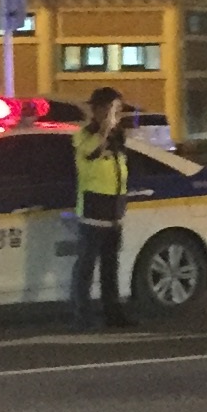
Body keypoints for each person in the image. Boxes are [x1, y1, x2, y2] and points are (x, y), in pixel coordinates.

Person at [69, 86, 136, 329]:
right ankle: (82, 316)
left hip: (114, 209)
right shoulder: (84, 136)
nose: (116, 115)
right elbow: (91, 152)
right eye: (111, 110)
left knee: (110, 265)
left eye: (118, 111)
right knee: (86, 266)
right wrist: (106, 128)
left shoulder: (118, 138)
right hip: (93, 209)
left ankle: (113, 313)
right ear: (97, 110)